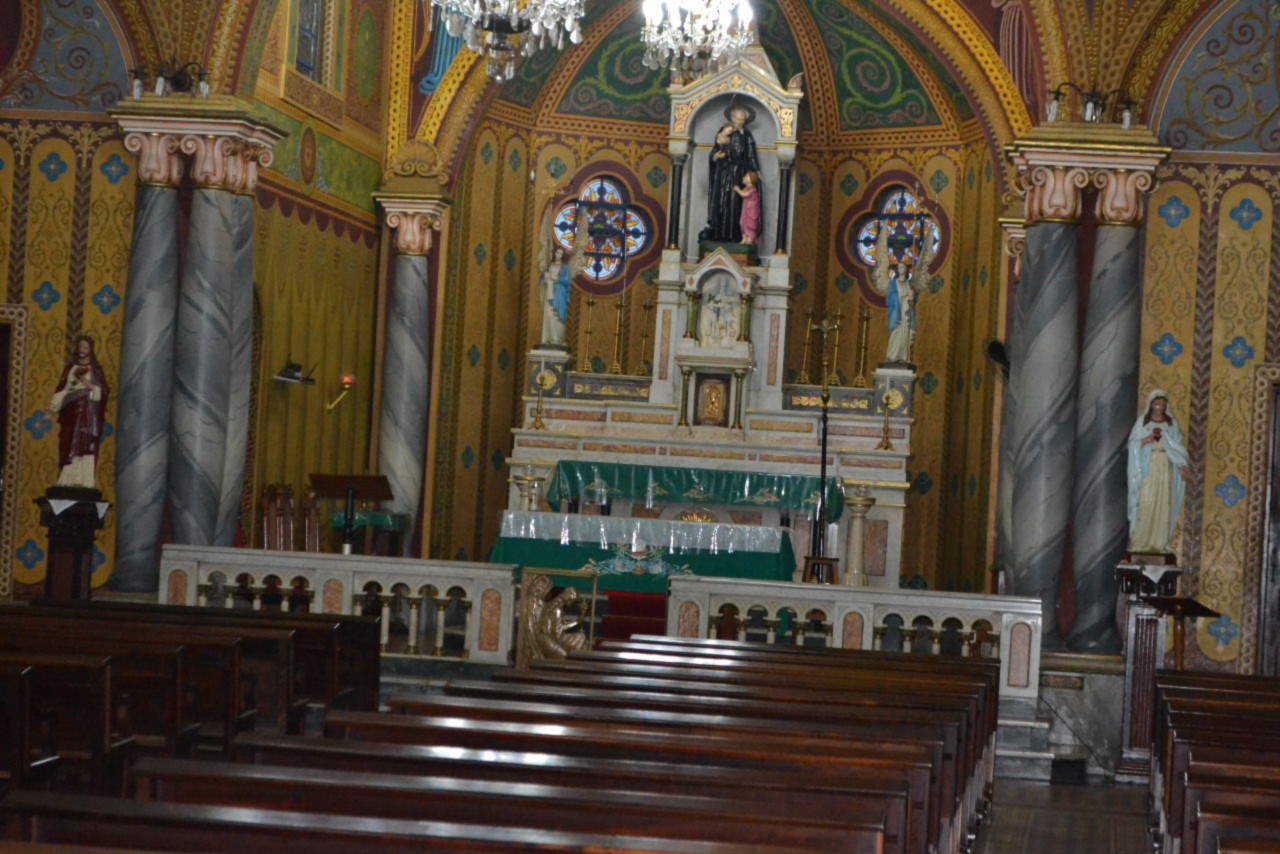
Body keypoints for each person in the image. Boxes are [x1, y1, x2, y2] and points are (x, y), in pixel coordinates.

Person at [1127, 390, 1190, 554]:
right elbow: (1132, 443)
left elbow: (1178, 447)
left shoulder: (1171, 424)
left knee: (1163, 501)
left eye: (1163, 404)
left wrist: (1182, 466)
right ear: (1151, 404)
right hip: (1147, 465)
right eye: (1157, 404)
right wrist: (1144, 441)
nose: (1160, 407)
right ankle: (1140, 542)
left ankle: (1160, 543)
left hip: (1165, 465)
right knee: (1145, 501)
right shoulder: (1142, 422)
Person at [47, 334, 109, 490]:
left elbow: (104, 391)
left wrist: (91, 387)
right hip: (71, 413)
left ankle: (84, 480)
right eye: (80, 347)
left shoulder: (96, 369)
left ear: (90, 350)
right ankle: (67, 479)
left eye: (86, 348)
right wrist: (51, 409)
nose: (82, 350)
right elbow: (62, 390)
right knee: (70, 442)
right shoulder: (70, 369)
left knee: (86, 443)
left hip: (89, 413)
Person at [871, 223, 935, 364]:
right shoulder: (893, 284)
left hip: (906, 314)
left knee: (906, 335)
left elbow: (913, 300)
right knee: (895, 334)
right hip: (897, 314)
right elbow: (891, 297)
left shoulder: (910, 284)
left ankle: (903, 357)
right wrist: (902, 297)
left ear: (906, 270)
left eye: (903, 267)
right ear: (897, 269)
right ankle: (893, 356)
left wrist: (912, 297)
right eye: (899, 267)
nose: (901, 269)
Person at [699, 105, 760, 244]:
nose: (740, 122)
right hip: (724, 175)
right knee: (722, 204)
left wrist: (756, 170)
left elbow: (751, 154)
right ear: (732, 119)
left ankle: (737, 236)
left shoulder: (747, 135)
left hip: (740, 174)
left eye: (742, 120)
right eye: (737, 119)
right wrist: (716, 156)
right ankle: (720, 235)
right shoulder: (725, 132)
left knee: (737, 205)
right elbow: (715, 150)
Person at [538, 246, 572, 347]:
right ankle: (547, 338)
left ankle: (557, 339)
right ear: (554, 253)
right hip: (549, 293)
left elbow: (567, 281)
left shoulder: (565, 267)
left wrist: (555, 278)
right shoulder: (550, 265)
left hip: (559, 294)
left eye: (561, 254)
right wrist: (544, 277)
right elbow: (542, 280)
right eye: (557, 253)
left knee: (557, 316)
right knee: (548, 314)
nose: (559, 255)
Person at [735, 170, 762, 246]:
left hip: (751, 212)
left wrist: (738, 190)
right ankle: (744, 238)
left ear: (751, 180)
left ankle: (750, 239)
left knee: (750, 225)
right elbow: (744, 192)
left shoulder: (753, 189)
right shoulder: (747, 188)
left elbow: (745, 194)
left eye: (746, 176)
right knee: (743, 223)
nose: (743, 177)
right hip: (746, 211)